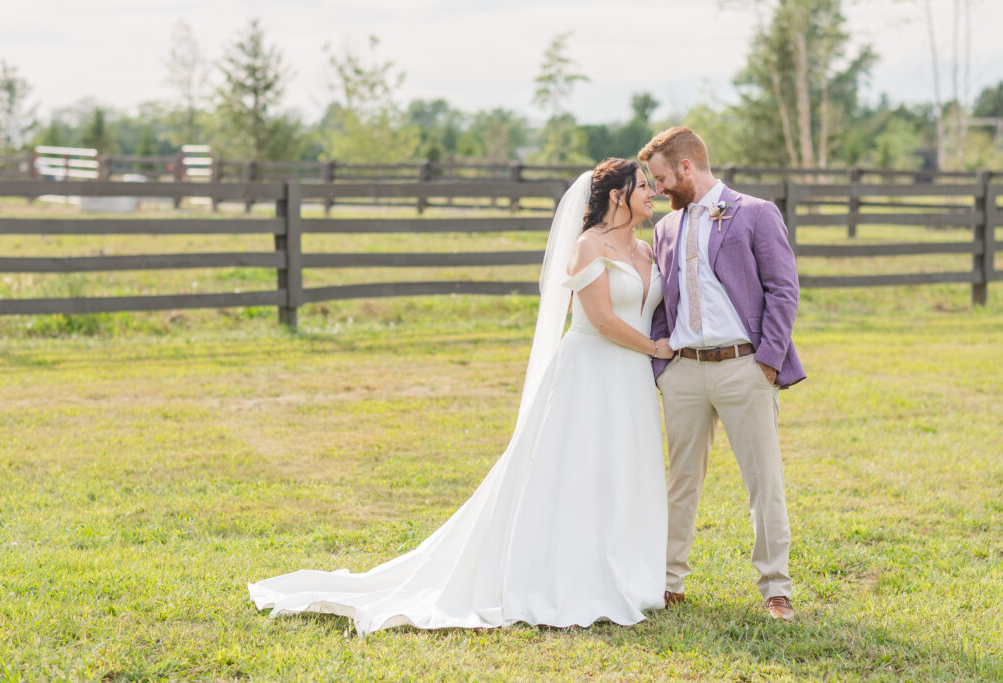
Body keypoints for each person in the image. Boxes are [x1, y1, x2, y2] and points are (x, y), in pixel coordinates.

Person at [248, 158, 674, 635]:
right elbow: (600, 318)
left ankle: (625, 572)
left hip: (631, 380)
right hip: (590, 372)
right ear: (617, 195)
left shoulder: (648, 249)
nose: (651, 193)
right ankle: (567, 574)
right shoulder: (587, 247)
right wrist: (654, 347)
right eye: (643, 187)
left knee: (622, 468)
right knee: (576, 469)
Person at [638, 127, 806, 621]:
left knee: (763, 481)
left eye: (664, 177)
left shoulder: (755, 213)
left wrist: (767, 361)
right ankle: (669, 582)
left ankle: (776, 586)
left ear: (687, 168)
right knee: (679, 482)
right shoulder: (665, 229)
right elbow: (664, 299)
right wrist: (662, 367)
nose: (660, 187)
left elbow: (783, 289)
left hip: (743, 368)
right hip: (684, 374)